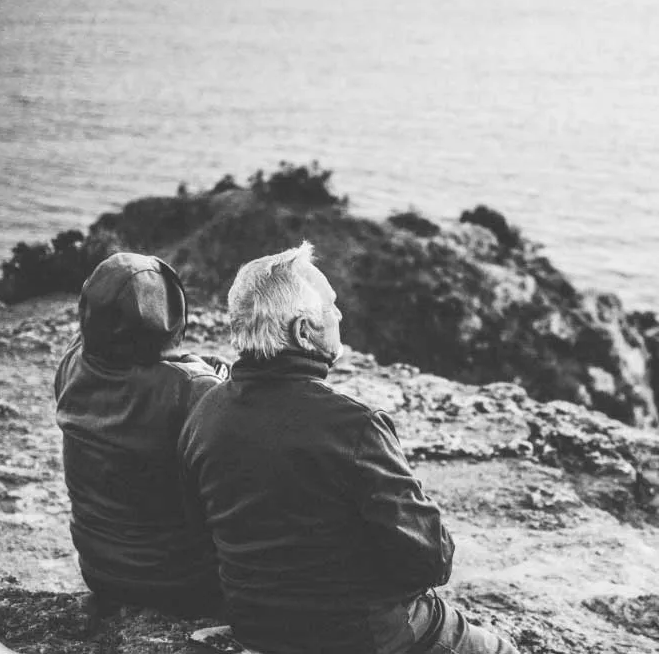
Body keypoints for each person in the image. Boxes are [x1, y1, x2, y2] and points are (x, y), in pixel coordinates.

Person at [178, 243, 518, 654]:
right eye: (331, 307)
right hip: (362, 636)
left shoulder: (204, 413)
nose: (339, 315)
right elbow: (431, 560)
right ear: (303, 331)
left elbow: (198, 533)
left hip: (256, 625)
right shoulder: (355, 426)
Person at [54, 253, 226, 616]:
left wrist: (188, 365)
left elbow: (133, 368)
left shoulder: (72, 362)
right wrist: (213, 378)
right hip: (180, 580)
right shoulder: (194, 388)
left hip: (98, 569)